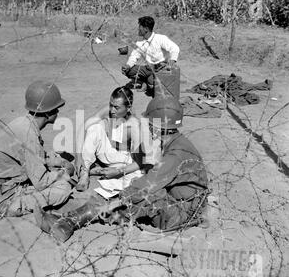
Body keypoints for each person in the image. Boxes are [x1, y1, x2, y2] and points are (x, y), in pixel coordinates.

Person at [37, 96, 209, 242]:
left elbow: (147, 185)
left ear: (159, 126)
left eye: (150, 124)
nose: (148, 127)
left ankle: (72, 221)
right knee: (135, 191)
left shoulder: (176, 154)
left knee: (138, 195)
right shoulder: (175, 142)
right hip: (181, 203)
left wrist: (116, 202)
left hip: (181, 213)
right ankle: (71, 219)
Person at [0, 81, 75, 217]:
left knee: (54, 163)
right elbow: (41, 182)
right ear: (48, 113)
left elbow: (33, 156)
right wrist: (62, 174)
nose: (58, 111)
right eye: (56, 108)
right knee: (63, 189)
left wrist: (57, 162)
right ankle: (15, 206)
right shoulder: (29, 134)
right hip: (5, 194)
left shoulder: (23, 122)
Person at [75, 86, 144, 192]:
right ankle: (85, 172)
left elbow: (139, 162)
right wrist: (78, 155)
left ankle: (96, 170)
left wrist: (119, 171)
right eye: (111, 105)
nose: (112, 110)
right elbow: (84, 127)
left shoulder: (134, 125)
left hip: (123, 160)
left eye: (117, 107)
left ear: (128, 108)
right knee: (94, 127)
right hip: (106, 152)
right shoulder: (108, 111)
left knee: (139, 175)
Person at [121, 16, 180, 96]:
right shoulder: (140, 43)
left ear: (146, 29)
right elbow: (134, 57)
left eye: (140, 27)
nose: (138, 29)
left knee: (154, 87)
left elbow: (175, 48)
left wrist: (172, 61)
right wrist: (128, 65)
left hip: (160, 69)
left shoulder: (160, 38)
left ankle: (149, 82)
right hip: (148, 68)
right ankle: (145, 82)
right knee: (128, 71)